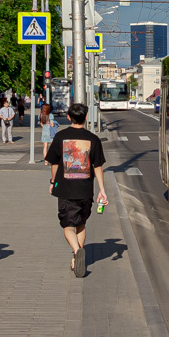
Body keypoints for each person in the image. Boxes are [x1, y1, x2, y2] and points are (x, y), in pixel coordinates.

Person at [46, 103, 107, 278]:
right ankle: (76, 258)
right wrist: (102, 190)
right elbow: (98, 166)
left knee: (67, 226)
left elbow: (54, 163)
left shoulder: (60, 136)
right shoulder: (93, 139)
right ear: (86, 117)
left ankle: (76, 250)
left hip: (66, 189)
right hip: (86, 190)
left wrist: (53, 181)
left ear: (68, 117)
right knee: (81, 224)